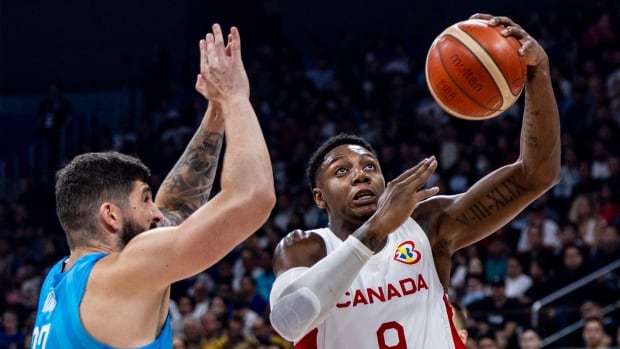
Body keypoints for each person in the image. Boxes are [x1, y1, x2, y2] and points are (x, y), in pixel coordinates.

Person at [269, 13, 561, 349]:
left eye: (369, 166)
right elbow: (289, 322)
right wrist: (375, 229)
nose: (360, 174)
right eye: (341, 170)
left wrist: (538, 73)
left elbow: (538, 174)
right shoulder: (305, 247)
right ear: (319, 198)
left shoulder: (426, 224)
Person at [30, 24, 275, 348]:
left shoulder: (58, 279)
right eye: (146, 199)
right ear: (111, 216)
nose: (157, 212)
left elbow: (178, 210)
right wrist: (235, 98)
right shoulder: (122, 274)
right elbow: (252, 198)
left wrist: (215, 112)